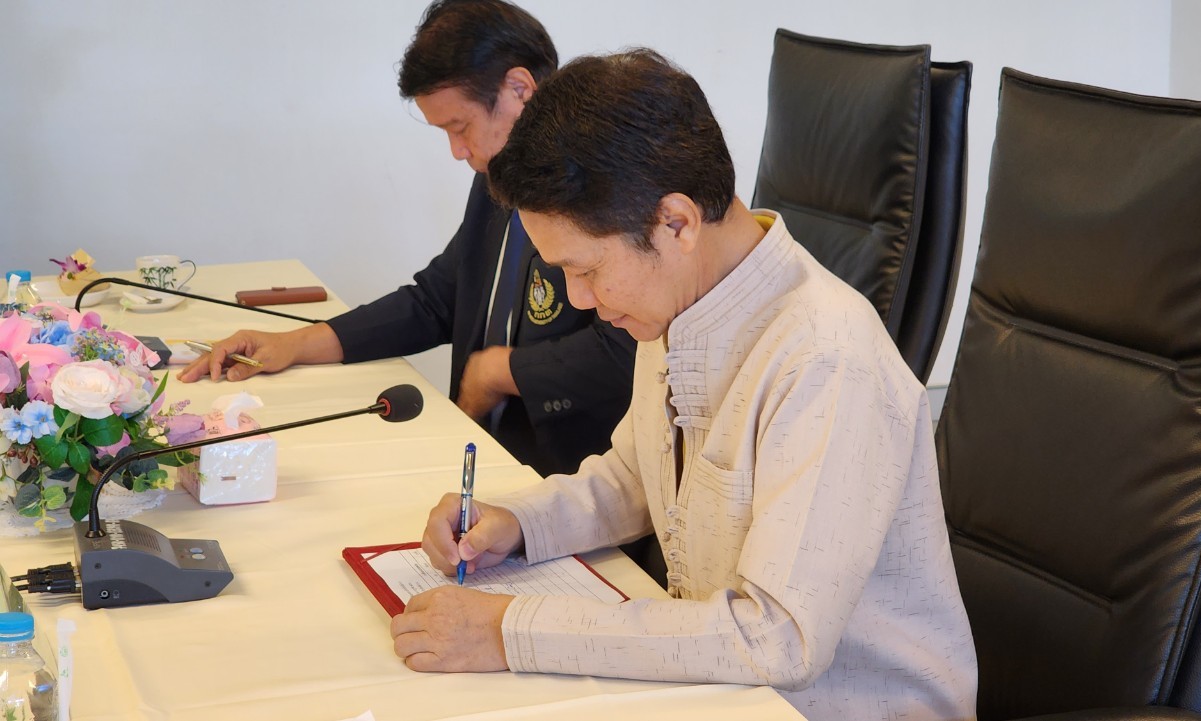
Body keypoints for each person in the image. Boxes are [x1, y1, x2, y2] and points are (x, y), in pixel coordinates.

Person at [389, 49, 978, 721]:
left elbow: (778, 637)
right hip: (724, 694)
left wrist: (510, 630)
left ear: (676, 222)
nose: (579, 299)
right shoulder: (676, 306)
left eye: (586, 269)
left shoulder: (827, 359)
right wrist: (520, 523)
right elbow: (636, 477)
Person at [177, 0, 635, 477]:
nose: (457, 151)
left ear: (519, 89)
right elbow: (435, 301)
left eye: (460, 127)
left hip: (572, 473)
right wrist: (294, 344)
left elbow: (628, 349)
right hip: (481, 451)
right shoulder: (496, 177)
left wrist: (501, 371)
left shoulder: (604, 189)